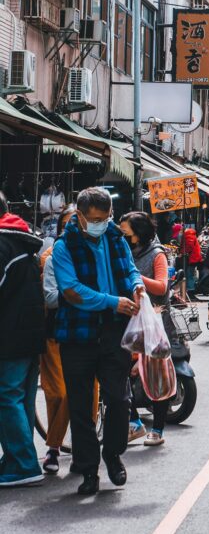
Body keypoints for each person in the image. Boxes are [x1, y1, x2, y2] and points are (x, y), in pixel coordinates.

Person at [52, 186, 144, 496]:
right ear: (79, 216)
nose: (100, 223)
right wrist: (112, 301)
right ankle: (88, 470)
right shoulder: (64, 247)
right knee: (80, 407)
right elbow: (71, 291)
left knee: (119, 399)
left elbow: (129, 268)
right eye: (94, 218)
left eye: (106, 217)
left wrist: (136, 286)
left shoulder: (114, 236)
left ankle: (113, 454)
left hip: (113, 332)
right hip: (78, 336)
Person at [0, 191, 45, 488]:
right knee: (21, 397)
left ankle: (25, 464)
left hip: (11, 334)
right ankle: (18, 458)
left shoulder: (4, 243)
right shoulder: (21, 237)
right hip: (29, 332)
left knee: (7, 396)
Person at [119, 212, 172, 448]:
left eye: (126, 233)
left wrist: (135, 277)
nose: (123, 237)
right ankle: (134, 423)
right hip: (129, 320)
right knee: (120, 372)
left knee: (155, 374)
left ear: (139, 233)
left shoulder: (156, 254)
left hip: (154, 321)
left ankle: (157, 428)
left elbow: (161, 286)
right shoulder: (122, 252)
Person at [39, 204, 78, 474]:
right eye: (70, 223)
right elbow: (51, 298)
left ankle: (77, 451)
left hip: (86, 333)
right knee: (59, 394)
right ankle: (53, 446)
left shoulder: (95, 252)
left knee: (86, 396)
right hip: (54, 332)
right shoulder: (50, 256)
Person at [181, 223, 202, 298]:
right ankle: (189, 289)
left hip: (191, 258)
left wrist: (184, 252)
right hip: (193, 257)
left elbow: (189, 246)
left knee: (189, 274)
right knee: (190, 274)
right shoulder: (190, 234)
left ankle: (190, 290)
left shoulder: (188, 234)